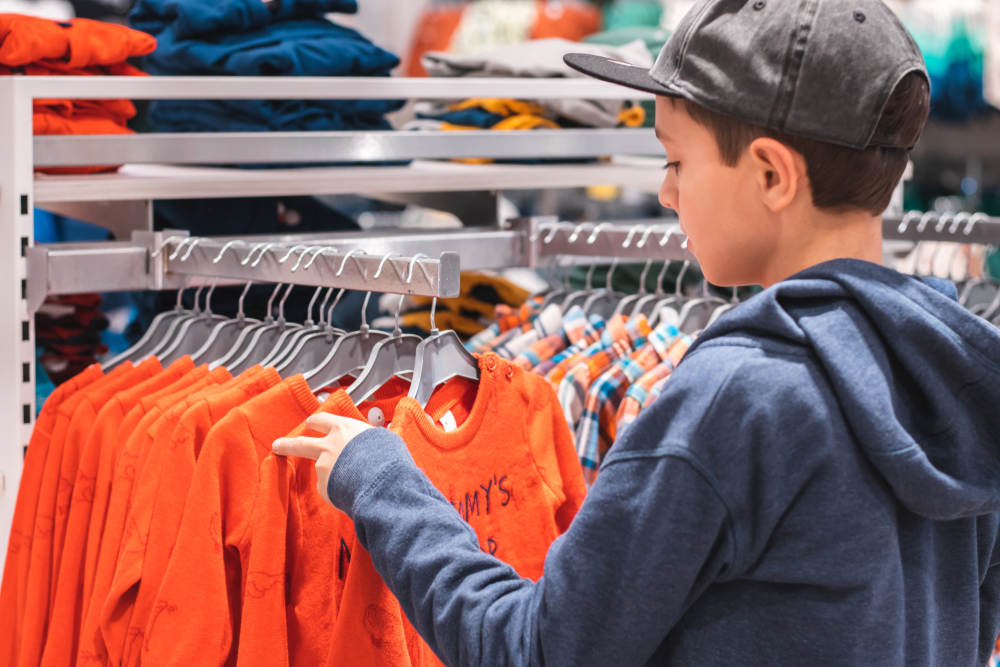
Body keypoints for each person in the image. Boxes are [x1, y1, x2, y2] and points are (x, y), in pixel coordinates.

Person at [272, 1, 1000, 665]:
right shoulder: (955, 377)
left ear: (773, 176)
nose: (665, 190)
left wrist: (380, 477)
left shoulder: (737, 399)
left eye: (678, 158)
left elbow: (535, 649)